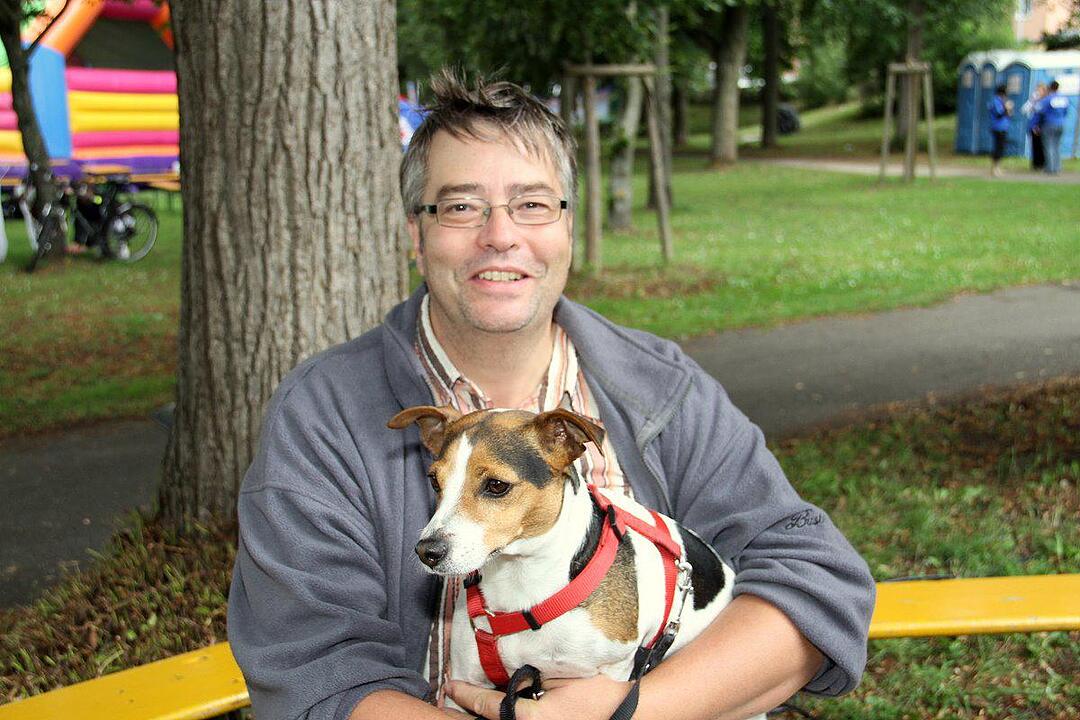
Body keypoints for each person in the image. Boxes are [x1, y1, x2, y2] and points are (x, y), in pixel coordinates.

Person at [226, 71, 876, 720]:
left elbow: (817, 580)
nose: (500, 234)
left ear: (566, 227)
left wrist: (634, 711)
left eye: (532, 204)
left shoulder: (660, 390)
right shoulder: (324, 417)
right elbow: (314, 667)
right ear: (415, 238)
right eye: (459, 206)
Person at [1033, 80, 1068, 175]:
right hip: (1061, 124)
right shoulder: (1064, 99)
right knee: (1057, 146)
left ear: (1050, 88)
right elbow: (1065, 112)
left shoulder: (1048, 99)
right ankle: (1057, 167)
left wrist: (1035, 125)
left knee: (1048, 146)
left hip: (1049, 124)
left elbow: (1039, 111)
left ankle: (1050, 168)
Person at [988, 84, 1012, 177]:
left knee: (1001, 148)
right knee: (998, 148)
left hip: (1003, 126)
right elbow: (999, 114)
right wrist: (1007, 108)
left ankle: (997, 167)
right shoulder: (996, 101)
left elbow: (1008, 114)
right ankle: (995, 168)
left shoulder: (1001, 100)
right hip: (998, 127)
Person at [1022, 82, 1047, 171]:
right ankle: (1036, 165)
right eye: (1037, 90)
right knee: (1034, 146)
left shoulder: (1046, 100)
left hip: (1042, 127)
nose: (1038, 92)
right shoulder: (1034, 100)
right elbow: (1024, 109)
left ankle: (1043, 164)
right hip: (1033, 126)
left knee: (1042, 146)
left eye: (1040, 90)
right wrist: (1033, 101)